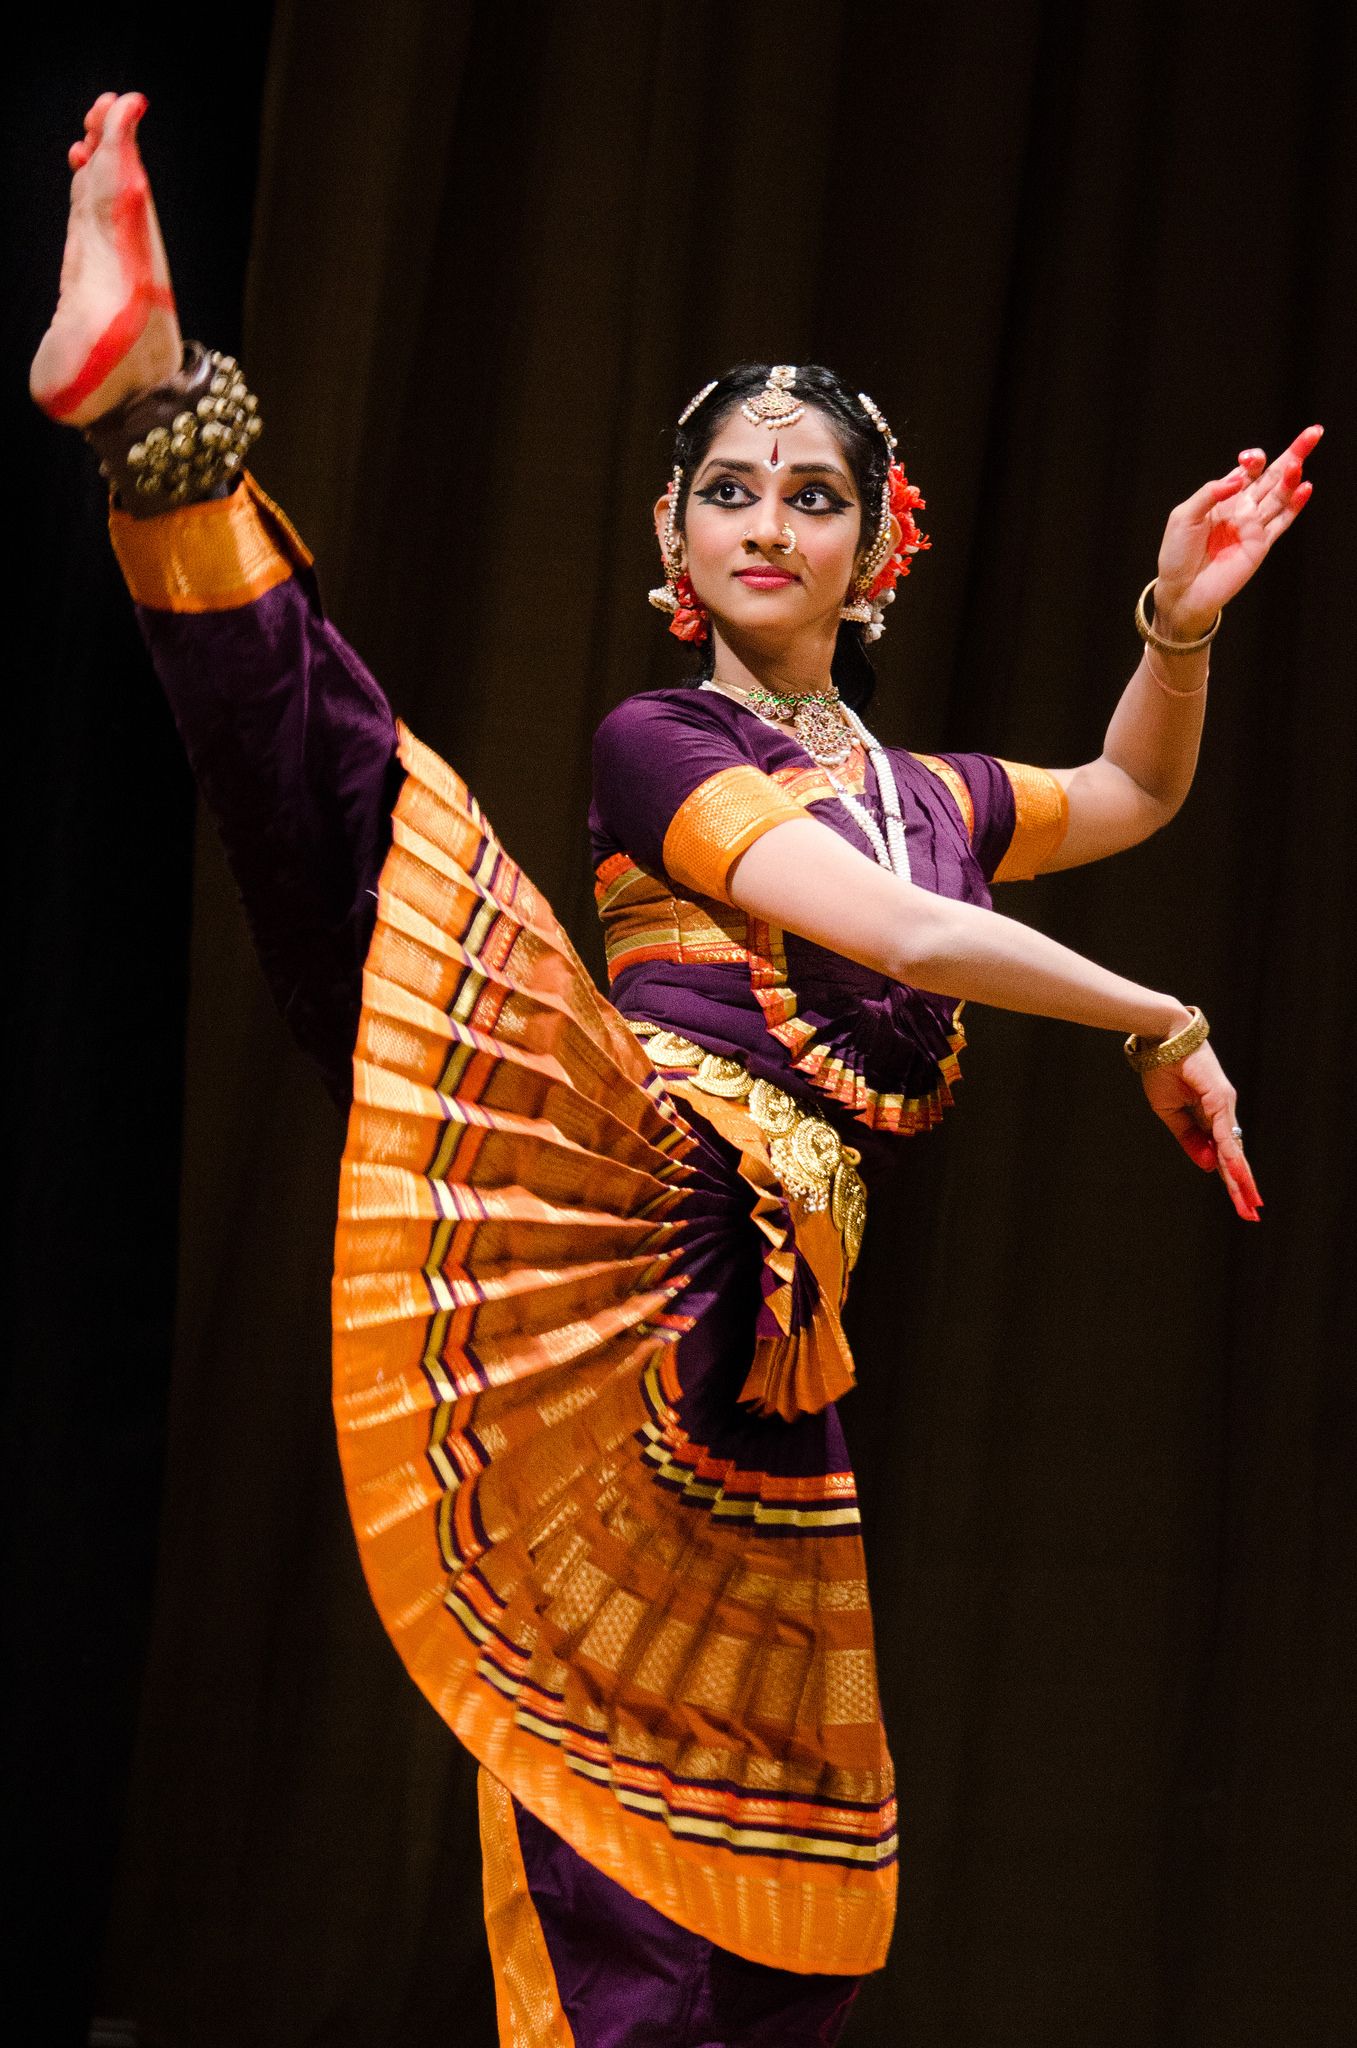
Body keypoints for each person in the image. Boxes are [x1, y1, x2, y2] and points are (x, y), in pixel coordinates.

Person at [34, 91, 1320, 2048]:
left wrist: (1172, 618)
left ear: (878, 548)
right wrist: (1151, 1014)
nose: (763, 522)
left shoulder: (933, 796)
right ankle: (165, 432)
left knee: (779, 1889)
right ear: (669, 536)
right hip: (644, 1219)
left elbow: (1132, 784)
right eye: (727, 489)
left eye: (811, 494)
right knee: (389, 866)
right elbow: (881, 936)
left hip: (770, 1371)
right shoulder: (665, 746)